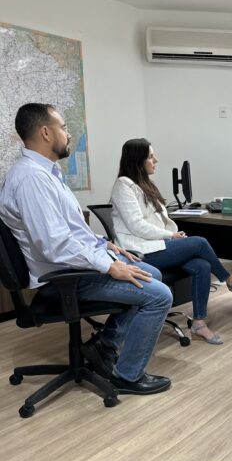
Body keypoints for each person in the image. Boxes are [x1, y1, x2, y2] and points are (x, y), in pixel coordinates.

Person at [0, 103, 172, 395]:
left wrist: (107, 246)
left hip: (76, 265)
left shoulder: (47, 173)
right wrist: (108, 265)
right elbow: (54, 245)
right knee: (159, 296)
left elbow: (70, 230)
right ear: (45, 132)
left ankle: (103, 346)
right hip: (64, 277)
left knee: (152, 271)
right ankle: (127, 376)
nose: (68, 134)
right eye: (64, 127)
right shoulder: (31, 179)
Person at [110, 138, 232, 345]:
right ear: (138, 159)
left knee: (202, 265)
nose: (156, 160)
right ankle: (230, 280)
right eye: (151, 156)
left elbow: (158, 220)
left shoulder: (146, 185)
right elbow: (136, 225)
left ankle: (199, 324)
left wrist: (174, 234)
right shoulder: (123, 186)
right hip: (139, 253)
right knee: (199, 243)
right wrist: (170, 236)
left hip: (157, 245)